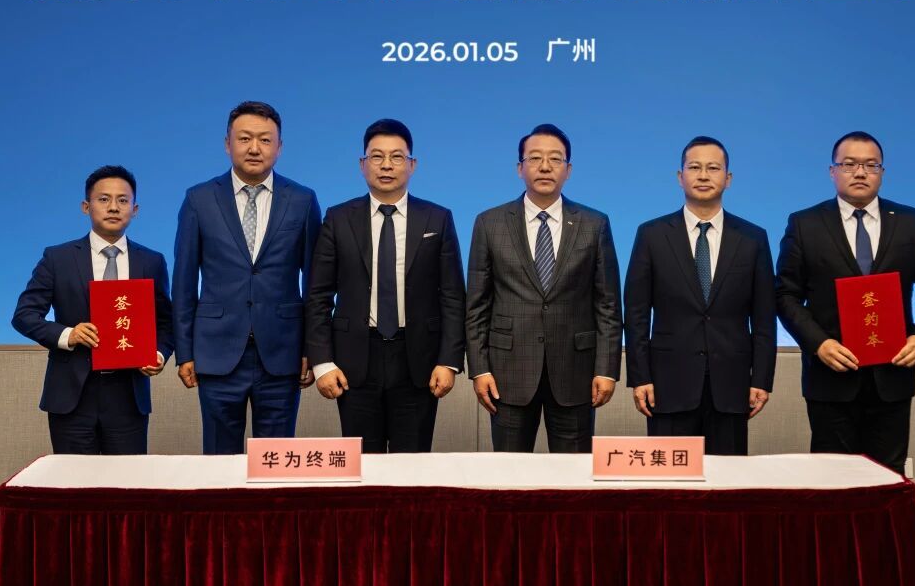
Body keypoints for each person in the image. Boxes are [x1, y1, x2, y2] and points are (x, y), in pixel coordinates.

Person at [775, 131, 915, 473]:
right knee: (833, 481)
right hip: (830, 377)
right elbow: (785, 294)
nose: (860, 172)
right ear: (832, 171)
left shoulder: (911, 222)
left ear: (882, 172)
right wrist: (818, 344)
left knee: (886, 479)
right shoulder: (805, 224)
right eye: (849, 164)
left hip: (892, 377)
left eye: (871, 165)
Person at [304, 119, 466, 452]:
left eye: (397, 157)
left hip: (418, 361)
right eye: (377, 157)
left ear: (412, 164)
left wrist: (448, 361)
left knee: (412, 465)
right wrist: (322, 362)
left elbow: (452, 296)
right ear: (363, 164)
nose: (387, 165)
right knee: (363, 465)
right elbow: (318, 295)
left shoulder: (437, 218)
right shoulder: (338, 218)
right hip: (353, 361)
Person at [173, 101, 321, 454]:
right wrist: (184, 351)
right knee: (219, 460)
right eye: (245, 138)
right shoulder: (199, 199)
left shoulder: (302, 200)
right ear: (228, 144)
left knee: (276, 460)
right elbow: (183, 281)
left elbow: (315, 283)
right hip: (216, 351)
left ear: (279, 147)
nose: (255, 148)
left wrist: (311, 349)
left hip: (282, 353)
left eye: (265, 140)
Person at [465, 123, 622, 452]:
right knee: (509, 473)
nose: (545, 166)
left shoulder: (594, 224)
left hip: (575, 372)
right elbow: (477, 305)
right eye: (535, 158)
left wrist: (607, 370)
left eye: (555, 159)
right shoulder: (490, 223)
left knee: (573, 473)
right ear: (519, 168)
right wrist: (479, 370)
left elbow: (607, 304)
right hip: (508, 373)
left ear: (568, 169)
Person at [624, 136, 776, 454]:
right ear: (680, 177)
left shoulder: (753, 238)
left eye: (713, 168)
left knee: (728, 479)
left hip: (732, 384)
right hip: (668, 383)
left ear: (728, 178)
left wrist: (761, 379)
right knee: (670, 477)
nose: (703, 175)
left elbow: (764, 318)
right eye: (694, 167)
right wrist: (639, 377)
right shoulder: (652, 235)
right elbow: (636, 313)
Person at [12, 165, 171, 454]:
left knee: (128, 480)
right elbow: (24, 316)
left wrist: (157, 354)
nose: (114, 207)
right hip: (72, 394)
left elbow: (165, 322)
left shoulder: (151, 261)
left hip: (128, 395)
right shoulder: (58, 258)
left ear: (135, 210)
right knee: (74, 480)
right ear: (86, 207)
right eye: (103, 199)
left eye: (123, 200)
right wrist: (68, 335)